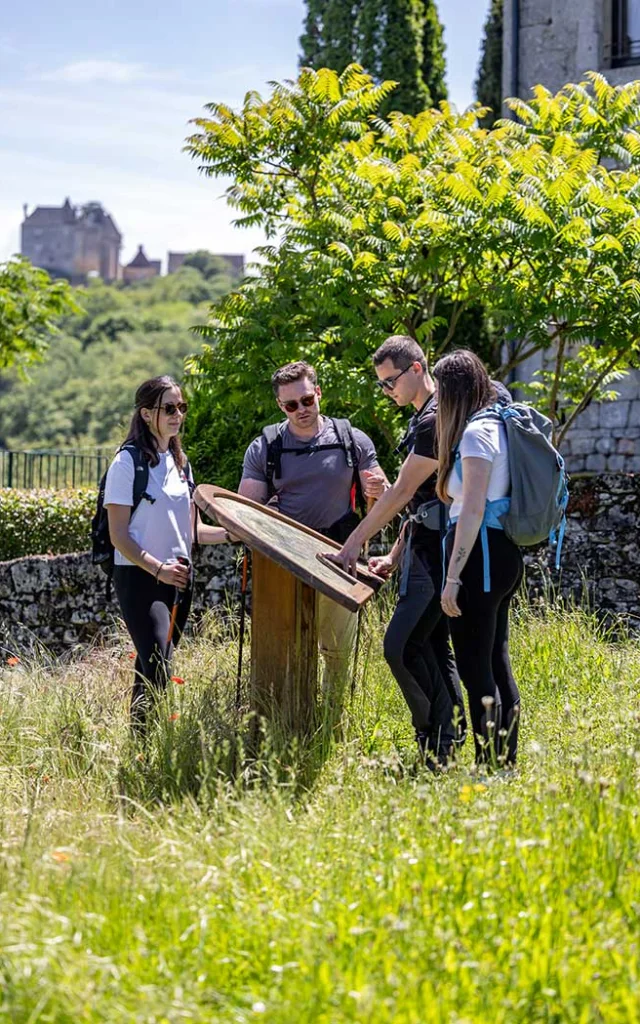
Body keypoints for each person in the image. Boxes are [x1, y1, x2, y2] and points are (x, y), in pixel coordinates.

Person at [325, 335, 468, 767]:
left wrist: (352, 545)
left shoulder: (433, 420)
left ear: (417, 369)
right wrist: (393, 555)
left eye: (391, 382)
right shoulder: (435, 414)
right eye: (382, 385)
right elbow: (427, 500)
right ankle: (451, 738)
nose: (387, 391)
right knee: (430, 646)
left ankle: (434, 736)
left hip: (434, 555)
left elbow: (404, 493)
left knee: (400, 647)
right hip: (430, 547)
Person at [239, 360, 388, 692]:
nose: (301, 409)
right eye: (291, 405)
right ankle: (288, 725)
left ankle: (333, 727)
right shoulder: (265, 447)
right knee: (287, 649)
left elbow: (382, 494)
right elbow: (247, 511)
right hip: (284, 560)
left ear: (318, 393)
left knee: (337, 652)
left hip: (340, 555)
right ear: (281, 406)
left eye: (307, 400)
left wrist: (379, 489)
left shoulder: (351, 439)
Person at [105, 375, 230, 733]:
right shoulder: (126, 463)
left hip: (179, 577)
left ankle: (142, 746)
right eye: (169, 408)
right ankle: (162, 743)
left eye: (182, 407)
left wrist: (232, 534)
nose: (178, 415)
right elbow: (118, 535)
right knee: (159, 663)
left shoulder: (180, 463)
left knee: (150, 667)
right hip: (140, 576)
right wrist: (157, 569)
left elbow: (192, 532)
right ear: (146, 414)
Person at [435, 349, 523, 767]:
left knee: (475, 667)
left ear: (453, 392)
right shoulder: (500, 424)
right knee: (495, 658)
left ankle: (489, 765)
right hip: (501, 552)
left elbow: (471, 509)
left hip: (480, 555)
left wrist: (452, 576)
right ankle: (504, 763)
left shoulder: (476, 434)